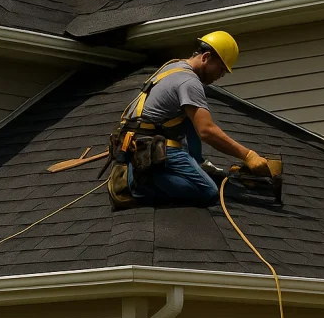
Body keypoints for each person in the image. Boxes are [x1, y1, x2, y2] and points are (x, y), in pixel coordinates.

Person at [109, 31, 275, 208]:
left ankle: (196, 163)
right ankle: (138, 185)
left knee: (189, 118)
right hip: (149, 146)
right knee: (208, 192)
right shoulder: (189, 82)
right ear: (206, 57)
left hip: (138, 140)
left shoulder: (173, 67)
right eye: (220, 69)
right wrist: (248, 155)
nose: (221, 75)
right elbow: (207, 131)